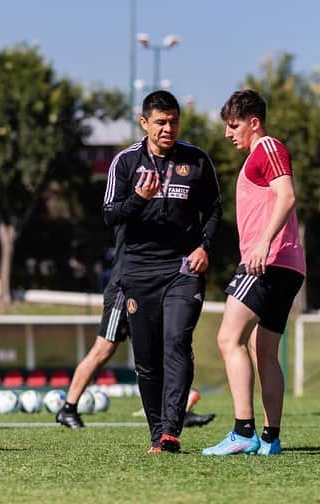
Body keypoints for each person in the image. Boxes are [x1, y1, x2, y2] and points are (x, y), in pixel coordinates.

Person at [103, 90, 222, 453]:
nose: (168, 128)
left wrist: (205, 247)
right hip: (138, 270)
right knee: (148, 357)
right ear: (144, 123)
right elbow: (110, 214)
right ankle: (158, 433)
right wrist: (139, 199)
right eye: (160, 122)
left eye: (173, 121)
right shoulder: (125, 163)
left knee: (176, 340)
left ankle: (171, 429)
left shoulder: (197, 160)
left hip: (183, 267)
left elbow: (215, 210)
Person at [203, 90, 306, 456]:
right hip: (287, 265)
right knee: (264, 352)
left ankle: (243, 431)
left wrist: (263, 243)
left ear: (254, 122)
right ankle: (270, 439)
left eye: (234, 126)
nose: (229, 134)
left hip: (268, 261)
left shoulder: (267, 148)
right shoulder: (257, 156)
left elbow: (287, 196)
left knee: (228, 339)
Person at [56, 228, 215, 430]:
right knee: (103, 349)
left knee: (161, 349)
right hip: (124, 289)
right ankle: (68, 408)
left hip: (150, 286)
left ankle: (174, 413)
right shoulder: (135, 205)